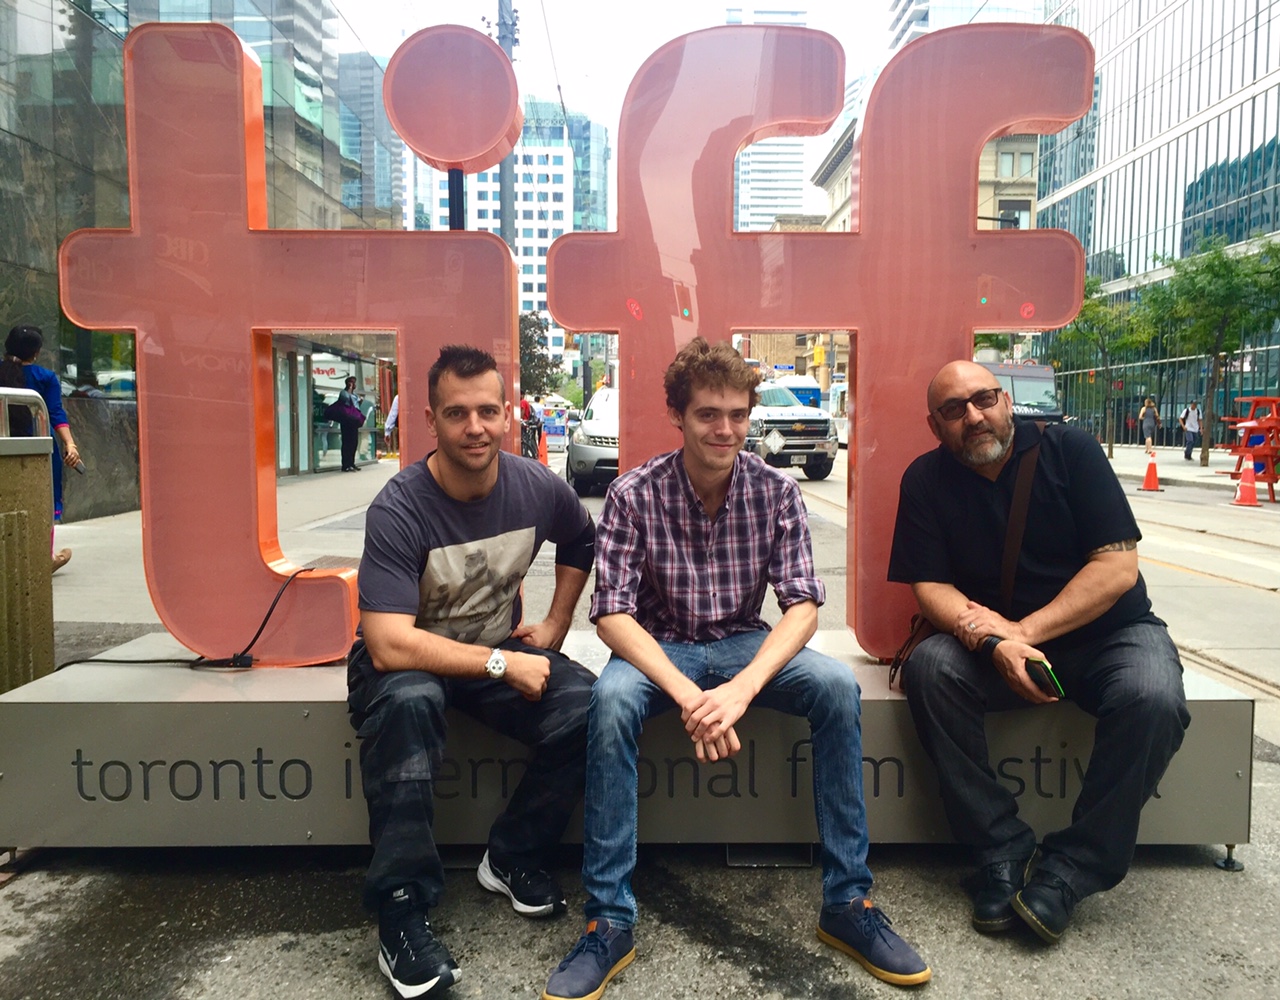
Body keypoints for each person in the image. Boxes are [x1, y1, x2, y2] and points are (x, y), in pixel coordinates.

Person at [544, 338, 931, 1000]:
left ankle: (848, 902)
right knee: (610, 703)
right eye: (707, 415)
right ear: (678, 415)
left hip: (742, 645)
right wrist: (694, 696)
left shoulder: (776, 491)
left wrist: (743, 689)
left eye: (737, 414)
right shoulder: (634, 492)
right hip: (656, 648)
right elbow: (610, 617)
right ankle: (609, 918)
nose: (725, 429)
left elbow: (803, 606)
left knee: (836, 686)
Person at [887, 360, 1190, 945]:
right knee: (931, 668)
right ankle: (999, 850)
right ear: (935, 425)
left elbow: (1117, 568)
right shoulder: (925, 479)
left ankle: (1071, 871)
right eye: (955, 409)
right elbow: (930, 589)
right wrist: (996, 642)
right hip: (998, 649)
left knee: (1153, 696)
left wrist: (1022, 631)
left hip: (1108, 637)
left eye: (984, 399)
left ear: (1006, 401)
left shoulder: (1071, 450)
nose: (973, 416)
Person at [347, 345, 597, 1000]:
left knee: (593, 707)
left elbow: (581, 537)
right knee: (408, 703)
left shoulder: (535, 486)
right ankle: (400, 911)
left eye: (488, 411)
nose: (475, 427)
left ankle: (512, 857)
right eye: (457, 413)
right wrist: (500, 662)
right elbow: (387, 643)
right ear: (431, 419)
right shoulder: (400, 507)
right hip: (411, 661)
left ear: (508, 415)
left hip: (497, 650)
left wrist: (554, 625)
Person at [3, 325, 79, 571]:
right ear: (36, 353)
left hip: (4, 447)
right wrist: (70, 444)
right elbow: (56, 414)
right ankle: (45, 558)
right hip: (39, 450)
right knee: (43, 501)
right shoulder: (45, 377)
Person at [338, 376, 364, 471]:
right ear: (349, 384)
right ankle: (345, 465)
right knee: (347, 443)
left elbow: (355, 406)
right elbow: (346, 402)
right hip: (346, 421)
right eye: (353, 383)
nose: (355, 385)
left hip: (354, 421)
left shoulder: (355, 395)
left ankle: (351, 463)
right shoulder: (344, 393)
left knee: (354, 442)